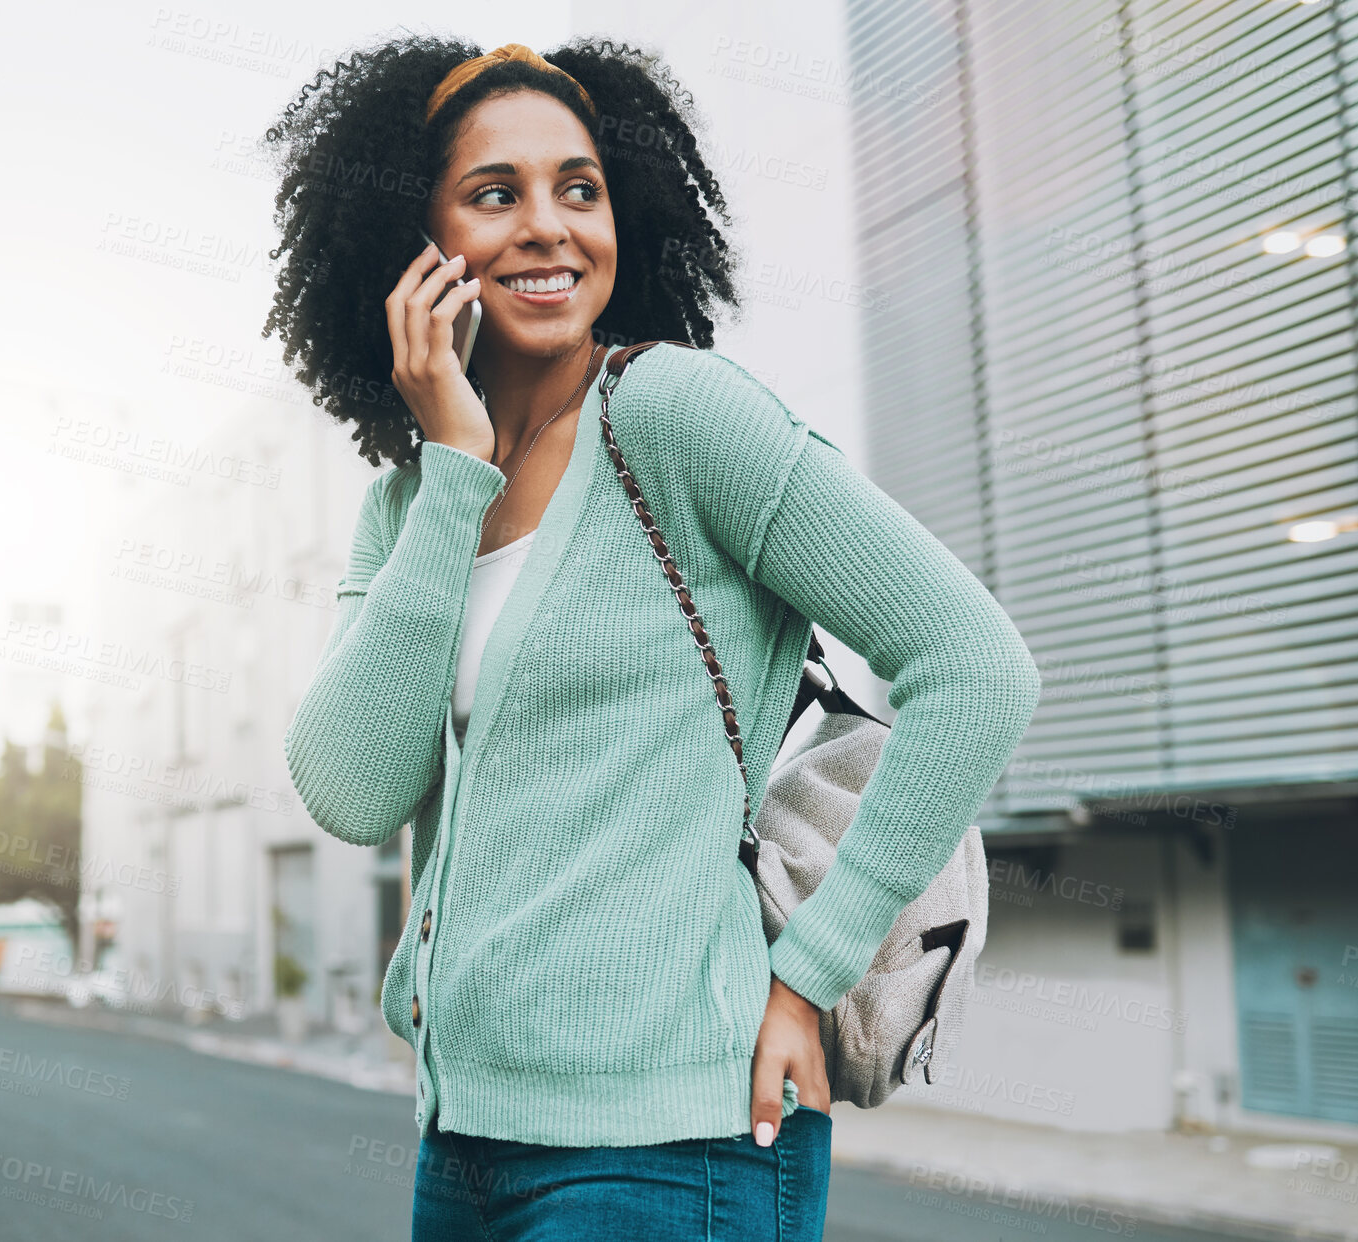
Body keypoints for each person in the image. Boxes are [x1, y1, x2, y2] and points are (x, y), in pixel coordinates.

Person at [266, 36, 1041, 1241]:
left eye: (580, 189)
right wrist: (454, 472)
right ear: (411, 247)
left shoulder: (680, 419)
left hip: (677, 1143)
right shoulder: (409, 503)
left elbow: (976, 666)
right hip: (462, 1143)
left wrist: (807, 975)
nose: (548, 226)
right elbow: (355, 790)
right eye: (493, 194)